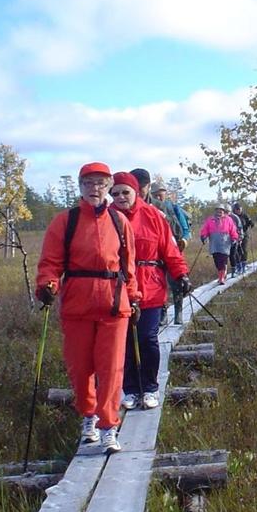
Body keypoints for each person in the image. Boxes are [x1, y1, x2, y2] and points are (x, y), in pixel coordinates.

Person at [35, 162, 139, 454]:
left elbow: (128, 266)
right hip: (77, 305)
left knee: (111, 369)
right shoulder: (64, 222)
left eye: (101, 184)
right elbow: (50, 262)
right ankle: (89, 416)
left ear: (108, 187)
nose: (95, 189)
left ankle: (108, 426)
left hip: (113, 305)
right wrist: (47, 285)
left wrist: (134, 297)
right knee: (80, 369)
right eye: (89, 183)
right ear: (80, 187)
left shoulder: (120, 222)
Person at [109, 172, 191, 410]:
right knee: (124, 341)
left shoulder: (154, 215)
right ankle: (131, 389)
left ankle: (151, 387)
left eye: (126, 192)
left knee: (147, 338)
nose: (121, 197)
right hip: (118, 288)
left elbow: (169, 248)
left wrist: (181, 273)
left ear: (137, 191)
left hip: (151, 285)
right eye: (115, 193)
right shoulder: (107, 217)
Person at [150, 181, 191, 324]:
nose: (158, 198)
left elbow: (185, 230)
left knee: (176, 283)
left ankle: (178, 313)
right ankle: (163, 314)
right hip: (157, 253)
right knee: (160, 284)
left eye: (160, 195)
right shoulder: (149, 209)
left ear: (165, 194)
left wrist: (184, 241)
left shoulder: (174, 208)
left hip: (174, 250)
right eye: (155, 195)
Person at [199, 203, 240, 285]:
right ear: (215, 211)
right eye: (218, 210)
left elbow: (233, 229)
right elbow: (205, 229)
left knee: (223, 259)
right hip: (214, 243)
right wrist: (203, 236)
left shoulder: (228, 219)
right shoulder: (210, 220)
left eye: (221, 211)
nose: (219, 212)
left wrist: (234, 237)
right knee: (217, 260)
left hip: (225, 243)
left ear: (224, 212)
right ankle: (221, 274)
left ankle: (221, 278)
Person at [231, 202, 254, 274]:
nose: (238, 210)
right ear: (234, 210)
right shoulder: (233, 217)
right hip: (235, 235)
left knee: (243, 250)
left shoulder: (245, 215)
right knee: (236, 251)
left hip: (244, 235)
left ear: (241, 209)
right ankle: (239, 266)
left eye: (239, 209)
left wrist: (251, 224)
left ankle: (244, 265)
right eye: (236, 209)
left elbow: (251, 222)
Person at [226, 205, 244, 278]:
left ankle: (238, 268)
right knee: (229, 255)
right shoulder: (223, 218)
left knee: (233, 254)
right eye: (225, 211)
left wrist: (240, 237)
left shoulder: (235, 217)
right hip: (226, 240)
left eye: (228, 211)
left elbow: (240, 227)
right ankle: (233, 269)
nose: (227, 213)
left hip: (235, 238)